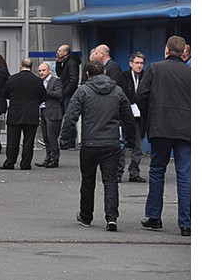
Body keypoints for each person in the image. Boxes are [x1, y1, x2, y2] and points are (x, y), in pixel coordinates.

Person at [61, 60, 136, 232]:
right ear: (104, 73)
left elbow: (70, 116)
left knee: (88, 181)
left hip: (90, 143)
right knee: (110, 181)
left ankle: (86, 216)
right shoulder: (117, 91)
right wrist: (130, 140)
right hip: (111, 143)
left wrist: (64, 140)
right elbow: (128, 118)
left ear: (87, 74)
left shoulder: (83, 91)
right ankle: (111, 218)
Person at [137, 36, 191, 237]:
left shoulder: (154, 68)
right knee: (185, 175)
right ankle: (186, 223)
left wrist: (151, 113)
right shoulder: (192, 72)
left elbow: (140, 95)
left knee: (157, 170)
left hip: (160, 126)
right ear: (183, 52)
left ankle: (154, 217)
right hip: (186, 128)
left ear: (167, 50)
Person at [0, 59, 47, 171]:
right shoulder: (37, 81)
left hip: (15, 113)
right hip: (31, 114)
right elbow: (44, 97)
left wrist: (15, 98)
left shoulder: (12, 79)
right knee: (28, 141)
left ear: (21, 66)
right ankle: (25, 164)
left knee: (13, 140)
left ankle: (10, 162)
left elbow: (4, 93)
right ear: (32, 67)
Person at [116, 52, 146, 183]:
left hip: (140, 118)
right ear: (131, 64)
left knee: (138, 147)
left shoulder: (146, 77)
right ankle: (118, 173)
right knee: (121, 146)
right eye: (137, 63)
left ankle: (134, 172)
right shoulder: (122, 77)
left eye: (141, 63)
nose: (139, 66)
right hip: (124, 117)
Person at [36, 63, 63, 168]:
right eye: (40, 71)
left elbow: (59, 94)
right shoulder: (40, 82)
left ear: (49, 70)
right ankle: (48, 157)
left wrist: (45, 92)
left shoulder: (56, 81)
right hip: (42, 110)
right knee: (45, 136)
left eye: (43, 70)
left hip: (52, 111)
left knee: (52, 136)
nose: (41, 73)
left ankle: (54, 158)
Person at [55, 44, 81, 149]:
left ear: (66, 53)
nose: (58, 52)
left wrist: (66, 92)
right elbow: (60, 74)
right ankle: (63, 139)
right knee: (63, 116)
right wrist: (58, 63)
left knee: (69, 117)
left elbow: (73, 79)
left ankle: (70, 140)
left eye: (60, 51)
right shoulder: (65, 61)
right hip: (65, 92)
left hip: (68, 93)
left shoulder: (71, 62)